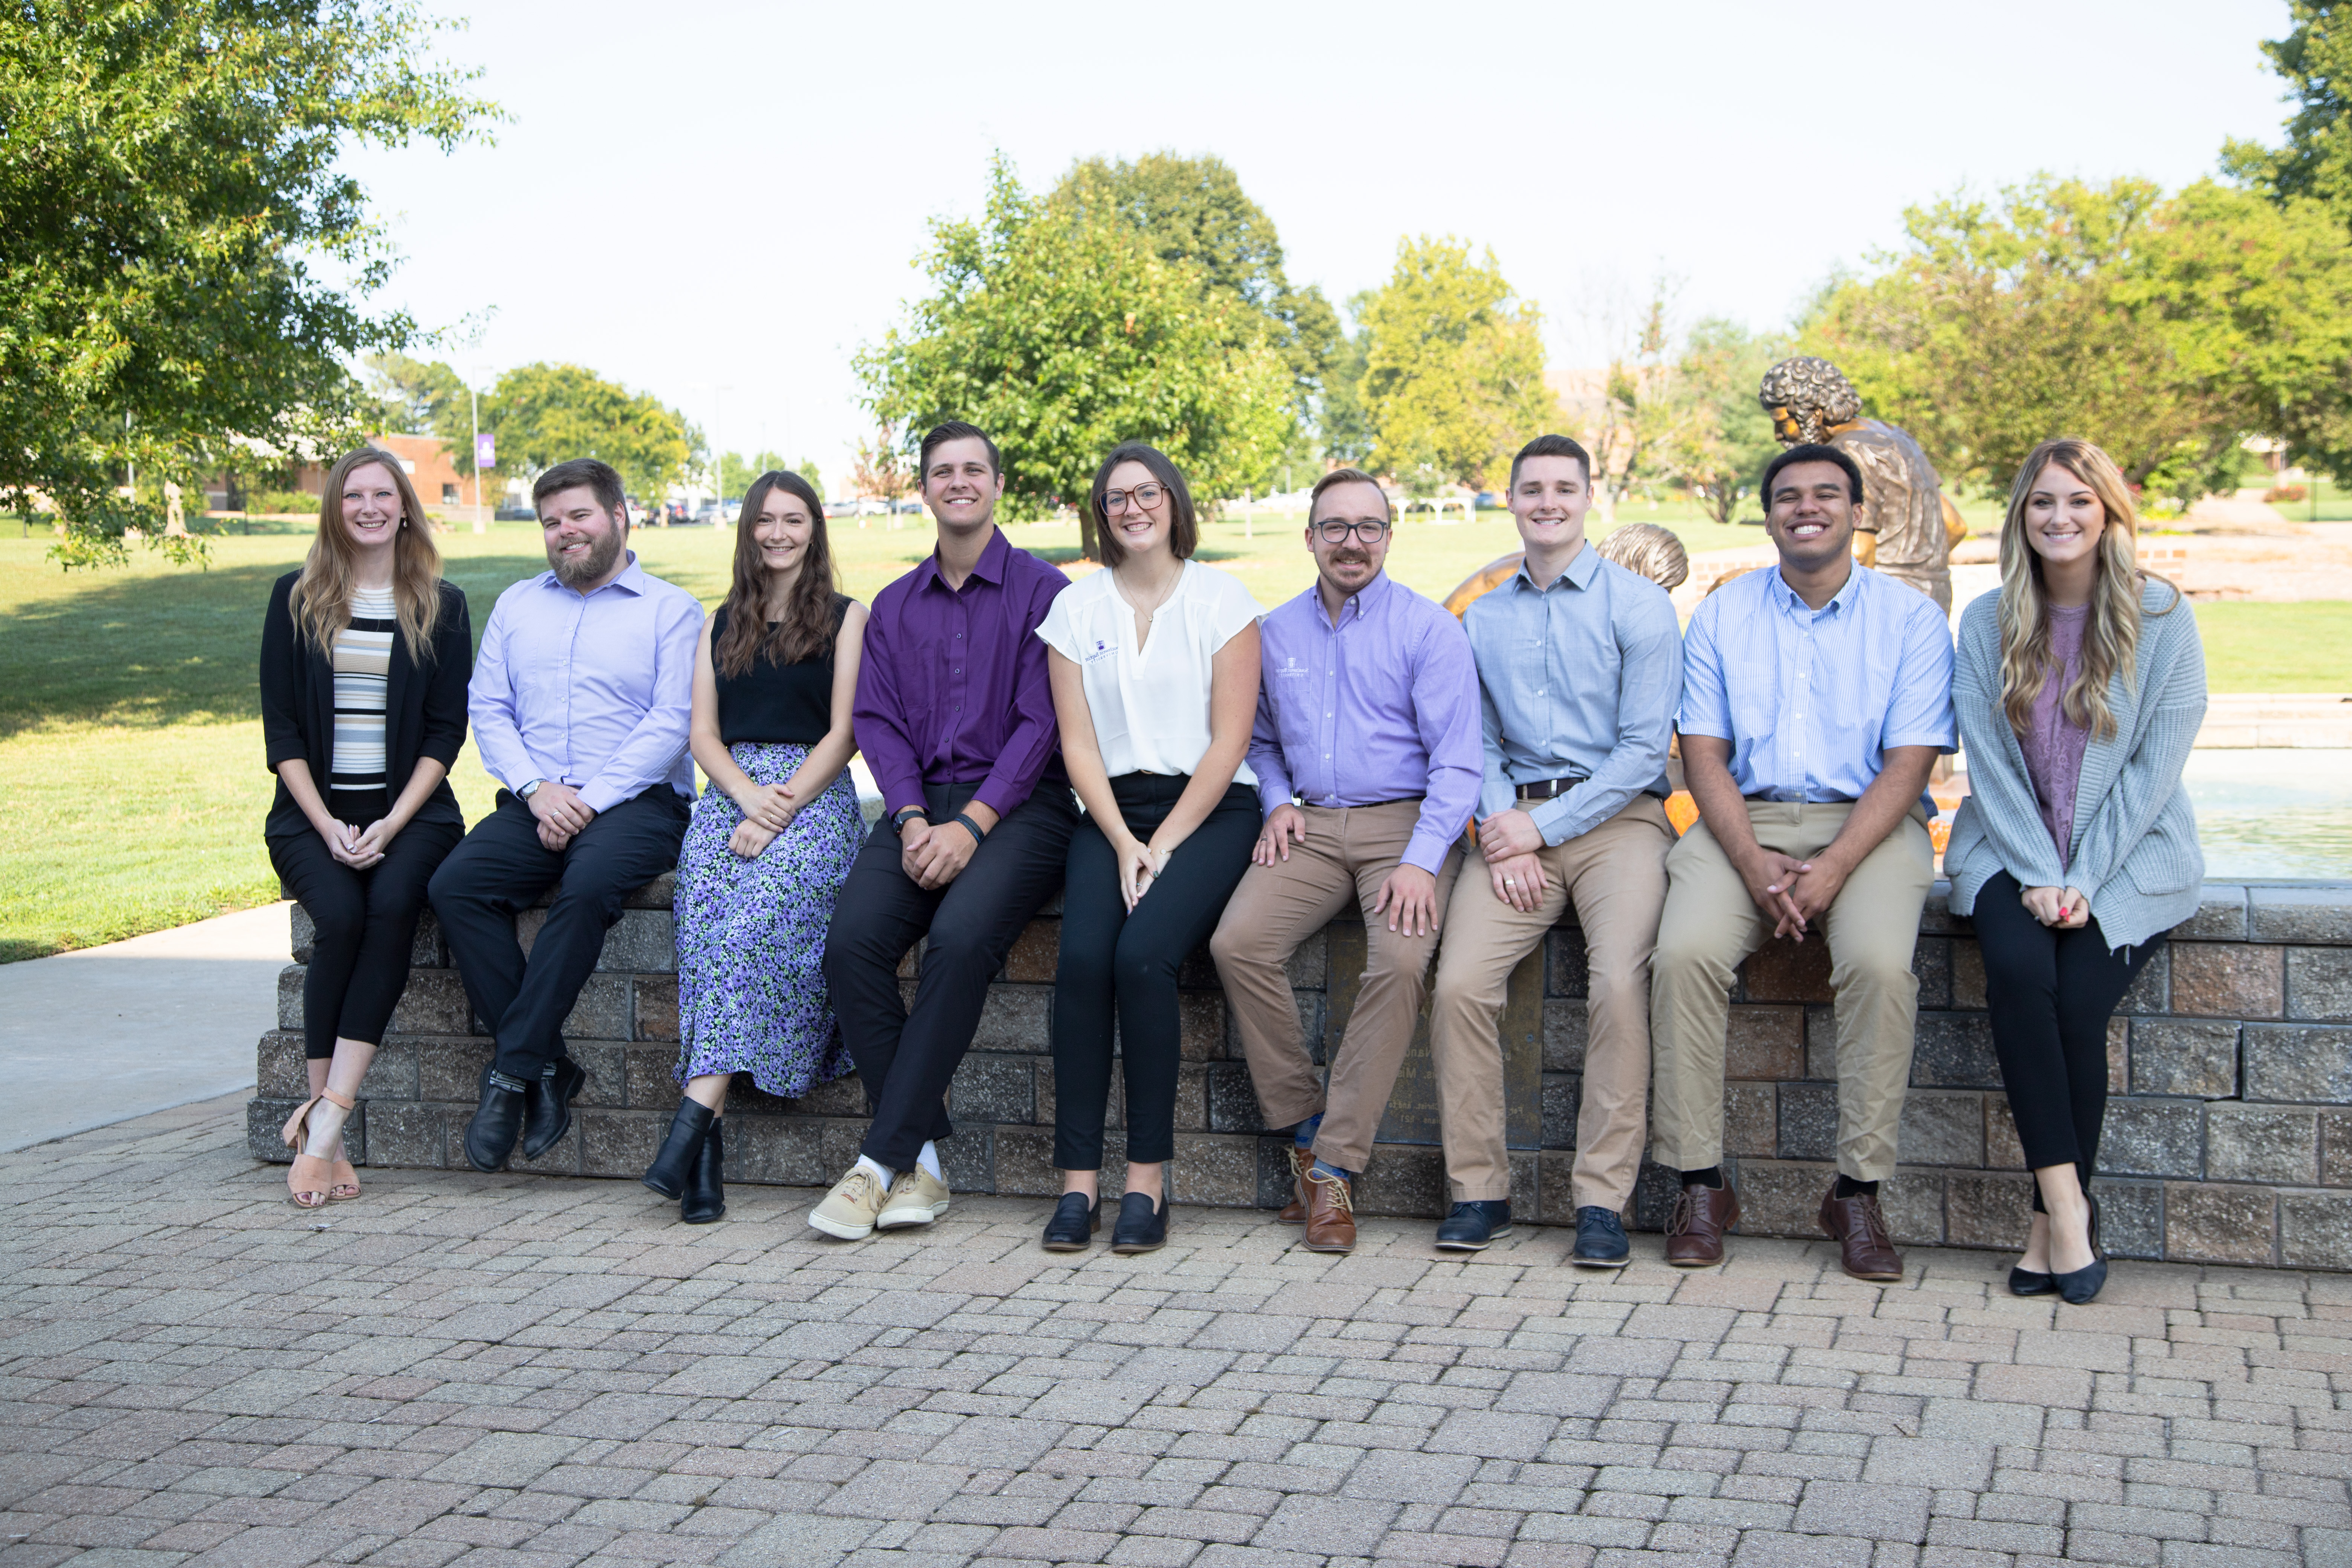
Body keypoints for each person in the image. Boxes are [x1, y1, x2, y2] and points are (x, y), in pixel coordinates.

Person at [1650, 443, 1955, 1280]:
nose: (1807, 507)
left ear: (1859, 512)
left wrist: (1831, 869)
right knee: (1681, 956)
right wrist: (1752, 864)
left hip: (1871, 823)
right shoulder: (1723, 615)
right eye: (1789, 496)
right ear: (1770, 514)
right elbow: (1703, 755)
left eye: (1827, 494)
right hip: (1741, 821)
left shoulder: (1912, 620)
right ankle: (1700, 1183)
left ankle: (1857, 1193)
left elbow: (1910, 765)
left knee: (1881, 967)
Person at [1945, 439, 2203, 1306]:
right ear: (2021, 514)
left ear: (2109, 514)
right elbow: (1989, 764)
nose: (2061, 518)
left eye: (2079, 502)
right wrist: (2035, 870)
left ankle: (2042, 1230)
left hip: (2127, 859)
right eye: (2043, 502)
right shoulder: (1987, 621)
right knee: (2021, 973)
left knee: (2080, 1000)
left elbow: (2150, 775)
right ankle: (2067, 1208)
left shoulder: (2163, 618)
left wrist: (2084, 877)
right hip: (2008, 850)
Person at [1207, 467, 1482, 1255]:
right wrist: (1279, 800)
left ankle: (1334, 1169)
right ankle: (1304, 1124)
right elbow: (1256, 739)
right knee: (1238, 943)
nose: (1351, 542)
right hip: (1313, 823)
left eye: (1368, 527)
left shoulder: (1429, 630)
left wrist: (1424, 859)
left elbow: (1459, 765)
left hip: (1406, 822)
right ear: (1311, 538)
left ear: (1390, 536)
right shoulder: (1275, 631)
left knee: (1399, 960)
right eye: (1335, 527)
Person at [811, 422, 1074, 1240]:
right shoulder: (893, 606)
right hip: (919, 807)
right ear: (924, 490)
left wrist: (973, 825)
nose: (958, 482)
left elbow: (1042, 724)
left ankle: (876, 1164)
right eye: (941, 472)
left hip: (1023, 808)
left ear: (998, 485)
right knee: (850, 943)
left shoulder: (1045, 592)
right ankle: (923, 1155)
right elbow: (878, 723)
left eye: (973, 470)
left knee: (959, 941)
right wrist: (917, 817)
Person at [1427, 436, 1681, 1261]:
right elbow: (1483, 740)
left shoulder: (1639, 607)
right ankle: (1480, 1191)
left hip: (1619, 825)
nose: (1547, 501)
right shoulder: (1486, 617)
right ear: (1510, 499)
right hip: (1514, 832)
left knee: (1617, 984)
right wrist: (1507, 826)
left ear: (1589, 498)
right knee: (1461, 983)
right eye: (1531, 488)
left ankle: (1601, 1202)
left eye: (1563, 488)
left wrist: (1545, 827)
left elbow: (1645, 754)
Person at [428, 459, 703, 1173]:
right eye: (551, 522)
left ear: (619, 516)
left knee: (586, 888)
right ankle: (550, 1068)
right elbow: (487, 708)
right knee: (456, 886)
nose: (564, 532)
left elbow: (671, 721)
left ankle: (512, 1074)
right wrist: (536, 789)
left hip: (638, 803)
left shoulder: (671, 610)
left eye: (578, 516)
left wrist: (587, 800)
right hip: (536, 797)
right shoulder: (519, 605)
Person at [1036, 443, 1264, 1255]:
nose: (1133, 508)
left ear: (1173, 500)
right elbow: (1078, 746)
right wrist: (1125, 839)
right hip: (1108, 811)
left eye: (1148, 492)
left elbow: (1231, 741)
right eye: (1116, 497)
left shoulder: (1222, 600)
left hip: (1209, 810)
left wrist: (1162, 843)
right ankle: (1076, 1187)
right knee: (1084, 961)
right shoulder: (1075, 611)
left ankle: (1145, 1182)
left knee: (1143, 958)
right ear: (1101, 513)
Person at [639, 472, 869, 1224]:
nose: (778, 533)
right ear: (748, 529)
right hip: (730, 797)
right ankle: (702, 1157)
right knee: (704, 932)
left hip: (812, 799)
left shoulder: (846, 617)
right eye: (766, 520)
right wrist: (745, 798)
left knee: (746, 931)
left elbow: (845, 733)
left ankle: (691, 1132)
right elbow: (702, 733)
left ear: (815, 528)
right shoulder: (721, 621)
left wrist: (779, 809)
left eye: (794, 520)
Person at [261, 448, 471, 1207]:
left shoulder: (440, 605)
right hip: (310, 814)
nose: (371, 507)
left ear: (407, 507)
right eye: (355, 496)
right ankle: (330, 1135)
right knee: (340, 917)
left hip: (412, 813)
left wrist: (388, 822)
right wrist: (326, 824)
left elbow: (445, 735)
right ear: (335, 508)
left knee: (387, 909)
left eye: (386, 494)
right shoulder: (296, 597)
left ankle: (323, 1124)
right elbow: (282, 735)